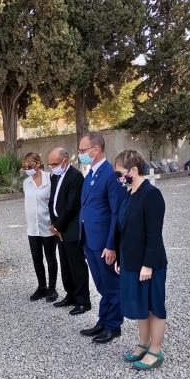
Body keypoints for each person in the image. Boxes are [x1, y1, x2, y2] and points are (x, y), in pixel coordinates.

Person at [113, 149, 168, 370]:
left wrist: (148, 264)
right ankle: (143, 344)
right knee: (140, 307)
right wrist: (120, 256)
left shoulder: (151, 195)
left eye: (120, 173)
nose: (118, 178)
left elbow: (154, 234)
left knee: (154, 307)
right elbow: (123, 230)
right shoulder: (129, 194)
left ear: (133, 171)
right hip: (130, 261)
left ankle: (156, 350)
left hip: (149, 264)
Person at [77, 132, 127, 344]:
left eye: (82, 151)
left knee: (111, 285)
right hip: (89, 240)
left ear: (95, 150)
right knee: (100, 285)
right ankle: (103, 320)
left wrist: (112, 245)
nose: (80, 154)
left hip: (104, 244)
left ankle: (113, 326)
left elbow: (116, 213)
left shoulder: (110, 174)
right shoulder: (91, 174)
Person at [47, 147, 91, 315]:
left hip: (71, 228)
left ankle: (83, 300)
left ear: (65, 160)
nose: (52, 167)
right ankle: (70, 294)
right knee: (65, 264)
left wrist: (58, 226)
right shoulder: (55, 176)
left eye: (55, 163)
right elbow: (53, 201)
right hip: (59, 229)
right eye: (50, 164)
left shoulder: (75, 177)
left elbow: (72, 206)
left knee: (76, 264)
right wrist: (54, 224)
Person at [22, 152, 58, 302]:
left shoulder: (50, 179)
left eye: (30, 165)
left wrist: (56, 223)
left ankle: (52, 288)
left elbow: (55, 202)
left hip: (48, 226)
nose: (27, 169)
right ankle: (41, 287)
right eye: (25, 167)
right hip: (32, 228)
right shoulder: (26, 182)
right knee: (37, 259)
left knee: (50, 257)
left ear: (38, 164)